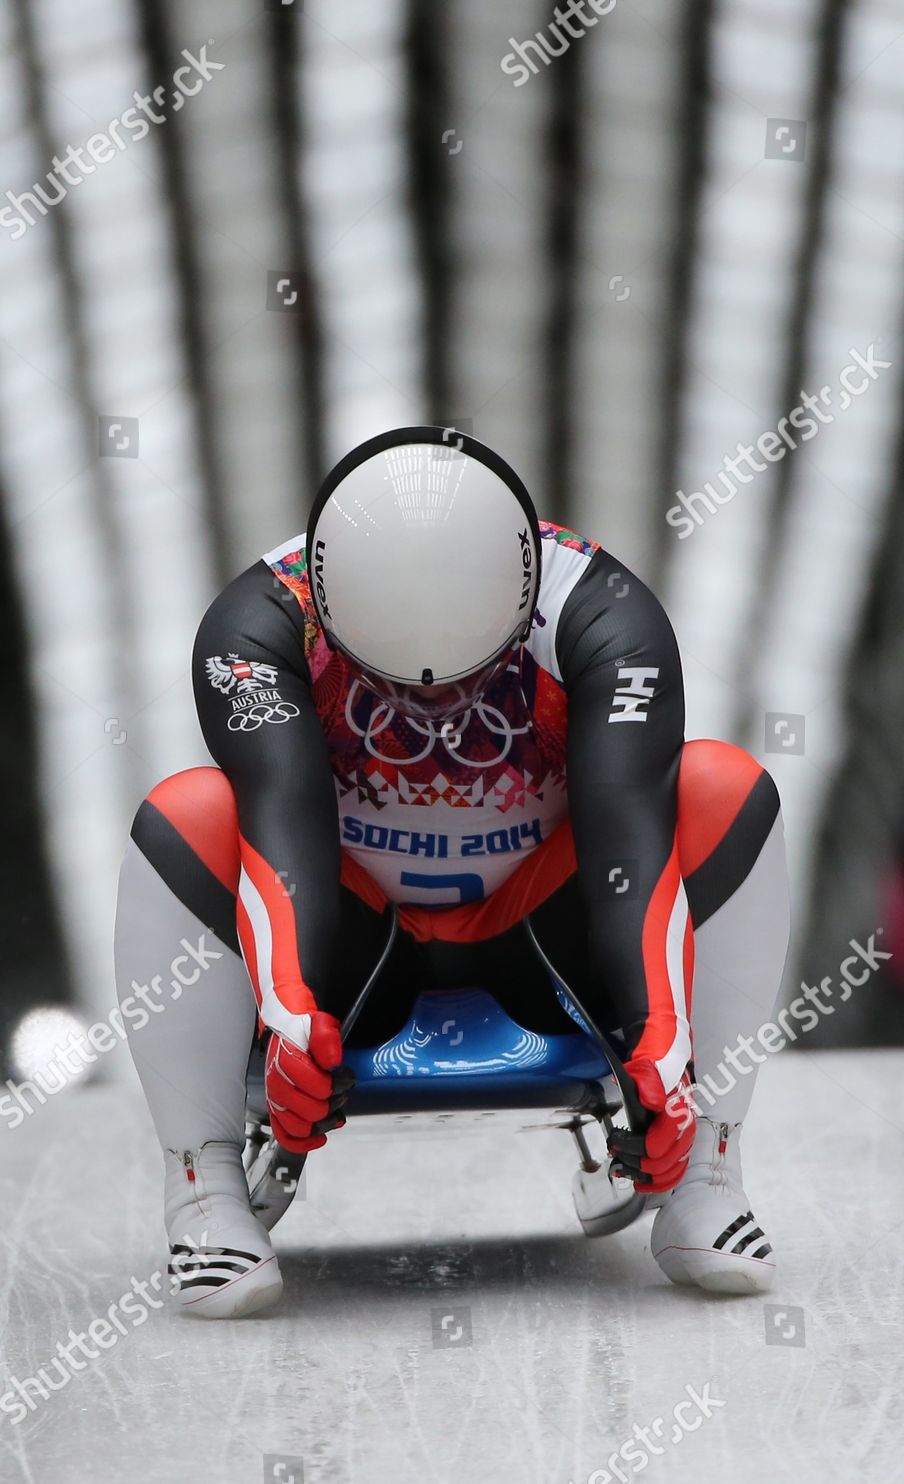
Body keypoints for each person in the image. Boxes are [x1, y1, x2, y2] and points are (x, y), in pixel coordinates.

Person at [114, 426, 790, 1318]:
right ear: (326, 613)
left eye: (466, 683)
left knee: (723, 784)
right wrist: (291, 1016)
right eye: (394, 687)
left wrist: (656, 1036)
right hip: (354, 926)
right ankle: (202, 1185)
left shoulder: (605, 616)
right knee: (186, 809)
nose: (432, 712)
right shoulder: (253, 630)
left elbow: (629, 834)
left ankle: (708, 1166)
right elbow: (283, 825)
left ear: (521, 613)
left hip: (546, 927)